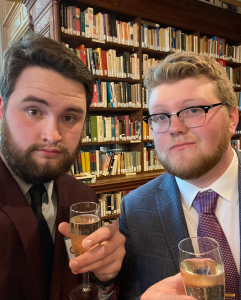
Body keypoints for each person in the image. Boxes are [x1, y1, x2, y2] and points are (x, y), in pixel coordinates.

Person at [0, 31, 125, 300]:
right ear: (2, 110)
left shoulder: (83, 198)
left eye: (69, 117)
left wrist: (106, 279)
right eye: (34, 111)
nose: (53, 135)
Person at [118, 53, 240, 300]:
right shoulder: (136, 209)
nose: (174, 127)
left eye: (194, 110)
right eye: (161, 116)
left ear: (232, 119)